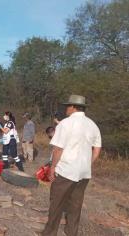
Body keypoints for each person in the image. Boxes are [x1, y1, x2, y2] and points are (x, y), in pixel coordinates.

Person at [40, 95, 102, 236]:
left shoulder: (65, 124)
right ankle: (71, 232)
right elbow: (97, 150)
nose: (66, 108)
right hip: (84, 173)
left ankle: (49, 233)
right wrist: (88, 163)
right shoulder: (92, 125)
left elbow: (58, 149)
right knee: (75, 205)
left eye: (68, 106)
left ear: (73, 107)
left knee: (56, 203)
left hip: (66, 171)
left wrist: (53, 168)